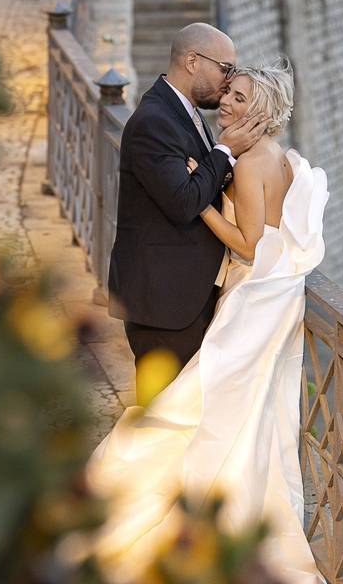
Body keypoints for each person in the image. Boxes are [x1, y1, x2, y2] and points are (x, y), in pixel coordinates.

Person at [87, 57, 329, 584]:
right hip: (274, 296)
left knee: (209, 403)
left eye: (240, 97)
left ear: (262, 110)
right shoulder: (280, 157)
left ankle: (179, 506)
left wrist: (201, 204)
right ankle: (236, 506)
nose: (227, 101)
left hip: (249, 292)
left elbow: (247, 243)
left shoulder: (247, 164)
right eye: (228, 92)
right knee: (249, 409)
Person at [107, 23, 269, 401]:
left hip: (185, 296)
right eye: (225, 69)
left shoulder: (185, 112)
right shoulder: (153, 121)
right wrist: (224, 151)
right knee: (162, 417)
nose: (228, 83)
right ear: (193, 61)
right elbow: (182, 202)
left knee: (183, 419)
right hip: (163, 303)